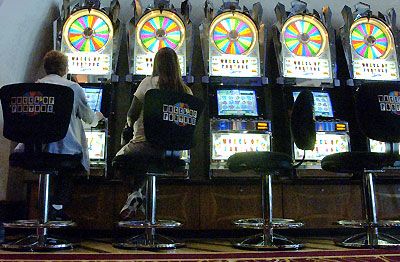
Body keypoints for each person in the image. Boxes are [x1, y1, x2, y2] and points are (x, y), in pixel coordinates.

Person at [15, 50, 104, 220]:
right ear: (65, 69)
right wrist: (98, 117)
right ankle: (57, 207)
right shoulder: (72, 88)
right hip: (63, 151)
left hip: (33, 151)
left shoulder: (34, 87)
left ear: (46, 68)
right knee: (70, 166)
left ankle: (44, 210)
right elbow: (88, 118)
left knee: (47, 164)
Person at [116, 47, 193, 219]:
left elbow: (131, 114)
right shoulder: (186, 90)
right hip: (173, 150)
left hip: (145, 144)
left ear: (156, 64)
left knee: (119, 160)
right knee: (150, 162)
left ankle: (135, 193)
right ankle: (141, 199)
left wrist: (129, 128)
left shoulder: (147, 83)